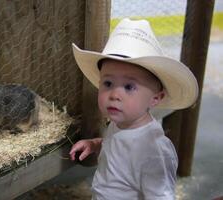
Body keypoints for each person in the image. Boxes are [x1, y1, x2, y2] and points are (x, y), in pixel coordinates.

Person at [69, 18, 199, 199]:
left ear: (155, 98)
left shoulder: (154, 151)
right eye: (107, 83)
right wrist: (95, 144)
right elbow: (117, 146)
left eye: (129, 87)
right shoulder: (120, 123)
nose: (114, 94)